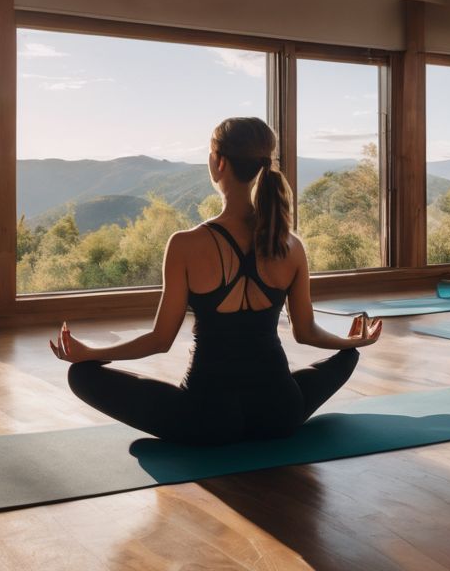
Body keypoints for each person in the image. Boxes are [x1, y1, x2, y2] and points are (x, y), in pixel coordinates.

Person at [50, 116, 382, 445]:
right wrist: (351, 343)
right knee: (347, 356)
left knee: (82, 375)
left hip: (204, 420)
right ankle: (333, 362)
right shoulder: (291, 246)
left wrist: (90, 353)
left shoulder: (185, 244)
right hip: (279, 414)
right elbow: (306, 332)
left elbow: (159, 340)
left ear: (218, 162)